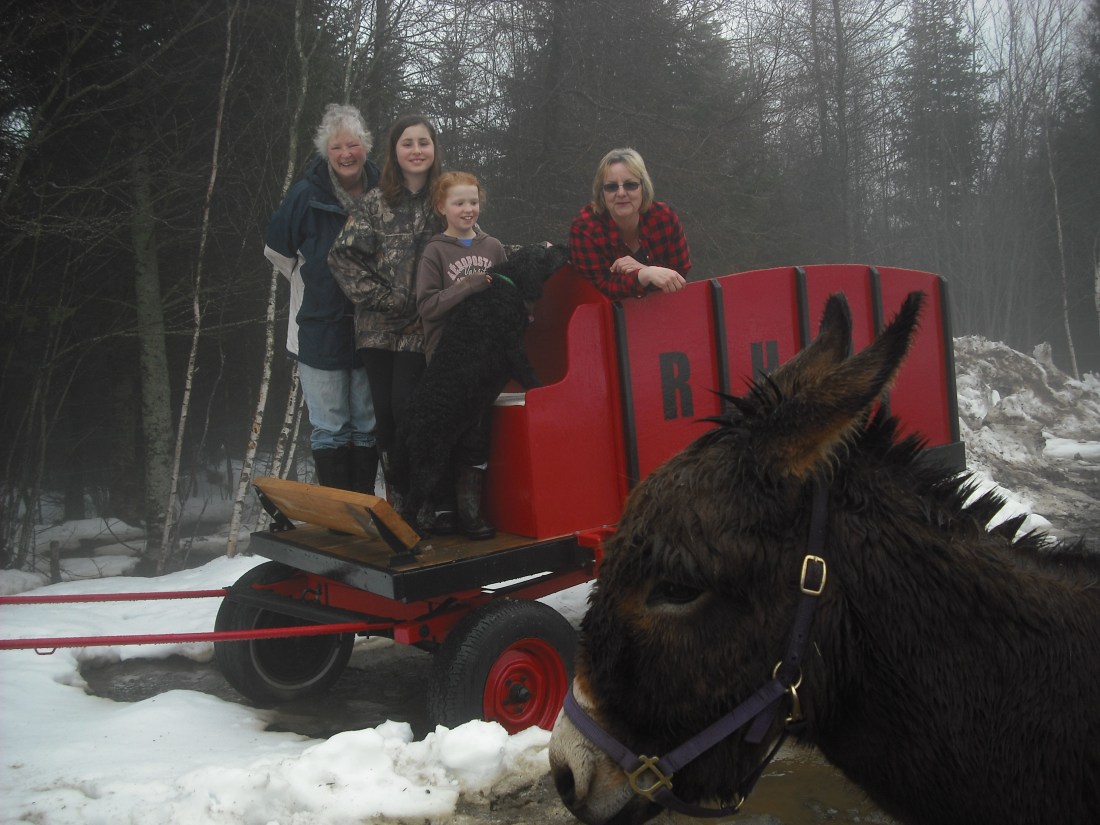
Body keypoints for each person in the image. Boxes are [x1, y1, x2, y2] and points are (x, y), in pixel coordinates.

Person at [264, 102, 380, 494]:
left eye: (352, 145)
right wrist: (310, 283)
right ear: (325, 152)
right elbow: (277, 250)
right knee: (330, 426)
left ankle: (362, 510)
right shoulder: (304, 196)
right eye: (336, 147)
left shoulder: (386, 191)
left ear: (365, 146)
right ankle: (339, 518)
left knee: (365, 423)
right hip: (319, 328)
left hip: (375, 327)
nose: (346, 154)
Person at [328, 114, 442, 507]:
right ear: (395, 151)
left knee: (408, 408)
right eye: (407, 143)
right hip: (377, 329)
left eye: (423, 142)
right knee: (385, 418)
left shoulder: (445, 199)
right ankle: (398, 498)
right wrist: (384, 298)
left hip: (422, 329)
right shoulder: (374, 204)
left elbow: (474, 244)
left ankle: (421, 497)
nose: (416, 150)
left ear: (434, 149)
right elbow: (341, 258)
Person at [414, 171, 508, 538]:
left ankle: (471, 513)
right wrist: (468, 286)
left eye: (473, 201)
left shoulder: (494, 247)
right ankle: (443, 512)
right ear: (442, 207)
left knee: (476, 435)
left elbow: (507, 296)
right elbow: (427, 307)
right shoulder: (435, 251)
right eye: (459, 202)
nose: (468, 209)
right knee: (445, 436)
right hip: (445, 361)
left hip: (483, 361)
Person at [569, 147, 691, 299]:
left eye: (630, 185)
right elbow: (600, 288)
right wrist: (643, 276)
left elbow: (678, 275)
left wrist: (646, 269)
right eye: (611, 187)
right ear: (602, 193)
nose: (621, 193)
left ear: (643, 188)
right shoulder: (585, 229)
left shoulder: (664, 217)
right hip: (608, 318)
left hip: (662, 311)